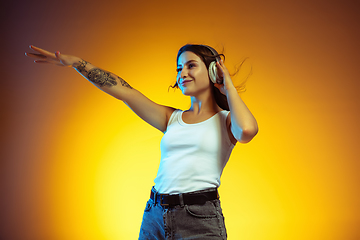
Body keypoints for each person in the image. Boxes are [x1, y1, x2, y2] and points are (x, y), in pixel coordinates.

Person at [25, 44, 258, 239]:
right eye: (179, 68)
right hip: (155, 215)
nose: (182, 73)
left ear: (213, 71)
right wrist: (78, 63)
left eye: (191, 65)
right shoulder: (171, 118)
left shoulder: (227, 121)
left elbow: (247, 130)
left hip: (199, 218)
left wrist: (227, 86)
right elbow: (124, 91)